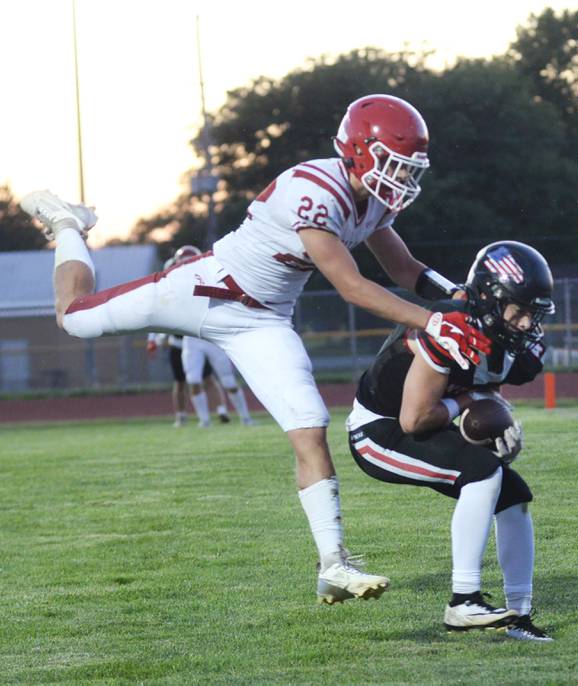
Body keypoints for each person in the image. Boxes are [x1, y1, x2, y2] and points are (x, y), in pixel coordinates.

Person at [21, 93, 490, 605]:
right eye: (393, 164)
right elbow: (352, 287)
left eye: (408, 168)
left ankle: (333, 563)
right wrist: (432, 321)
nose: (401, 178)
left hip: (263, 321)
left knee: (309, 425)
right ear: (359, 151)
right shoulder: (317, 190)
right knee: (74, 320)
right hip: (204, 290)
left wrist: (457, 297)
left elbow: (404, 269)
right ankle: (67, 225)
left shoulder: (373, 202)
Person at [347, 241, 555, 641]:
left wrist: (501, 420)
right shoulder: (452, 326)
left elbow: (484, 384)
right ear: (492, 302)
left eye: (534, 313)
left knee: (513, 495)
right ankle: (464, 600)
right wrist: (468, 401)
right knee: (482, 474)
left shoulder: (504, 336)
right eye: (520, 311)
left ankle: (518, 615)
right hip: (379, 430)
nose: (528, 324)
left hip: (418, 418)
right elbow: (415, 419)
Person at [170, 246, 255, 427]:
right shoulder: (174, 284)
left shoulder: (211, 277)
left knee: (228, 380)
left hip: (212, 337)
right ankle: (204, 420)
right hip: (191, 338)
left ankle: (245, 417)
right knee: (193, 380)